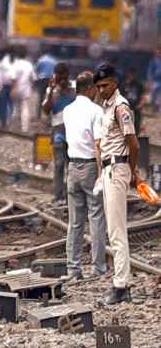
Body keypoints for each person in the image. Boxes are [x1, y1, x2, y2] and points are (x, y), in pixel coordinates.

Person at [94, 63, 140, 305]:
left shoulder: (121, 107)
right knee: (114, 230)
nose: (102, 90)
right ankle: (122, 284)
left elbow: (133, 143)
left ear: (115, 83)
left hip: (118, 168)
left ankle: (121, 286)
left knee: (116, 231)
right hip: (110, 170)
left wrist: (133, 172)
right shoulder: (106, 107)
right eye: (99, 86)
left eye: (105, 85)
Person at [62, 72, 108, 281]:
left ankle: (73, 269)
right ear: (89, 88)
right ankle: (98, 268)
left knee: (75, 222)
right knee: (96, 218)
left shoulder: (67, 110)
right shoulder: (96, 111)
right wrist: (101, 173)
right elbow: (98, 144)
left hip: (72, 167)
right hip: (90, 166)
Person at [41, 63, 77, 205]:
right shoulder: (51, 90)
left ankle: (70, 195)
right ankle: (58, 195)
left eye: (64, 77)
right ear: (55, 77)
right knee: (59, 164)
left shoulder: (75, 88)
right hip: (58, 131)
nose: (62, 81)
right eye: (59, 77)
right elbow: (45, 110)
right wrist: (51, 92)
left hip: (74, 131)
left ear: (68, 76)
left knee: (72, 165)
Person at [10, 49, 36, 133]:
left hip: (16, 88)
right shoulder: (29, 65)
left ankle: (14, 127)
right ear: (25, 55)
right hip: (26, 89)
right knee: (25, 108)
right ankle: (24, 128)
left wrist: (13, 89)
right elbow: (34, 78)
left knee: (15, 108)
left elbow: (13, 78)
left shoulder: (15, 64)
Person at [35, 47, 58, 115]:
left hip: (42, 79)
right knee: (50, 98)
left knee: (40, 97)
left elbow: (37, 69)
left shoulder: (41, 59)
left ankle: (38, 114)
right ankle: (50, 115)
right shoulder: (55, 60)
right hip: (51, 80)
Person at [148, 46, 161, 112]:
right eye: (158, 52)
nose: (159, 53)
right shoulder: (153, 60)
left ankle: (159, 109)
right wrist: (150, 81)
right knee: (153, 95)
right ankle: (153, 108)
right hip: (155, 81)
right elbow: (150, 71)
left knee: (159, 96)